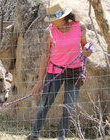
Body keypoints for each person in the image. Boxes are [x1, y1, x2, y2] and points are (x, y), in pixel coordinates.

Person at [27, 0, 92, 140]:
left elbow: (85, 47)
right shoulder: (49, 31)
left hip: (75, 72)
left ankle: (62, 137)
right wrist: (39, 81)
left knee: (68, 107)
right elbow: (45, 55)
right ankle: (34, 135)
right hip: (54, 72)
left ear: (64, 17)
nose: (52, 22)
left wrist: (87, 50)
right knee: (44, 104)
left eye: (55, 19)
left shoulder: (79, 27)